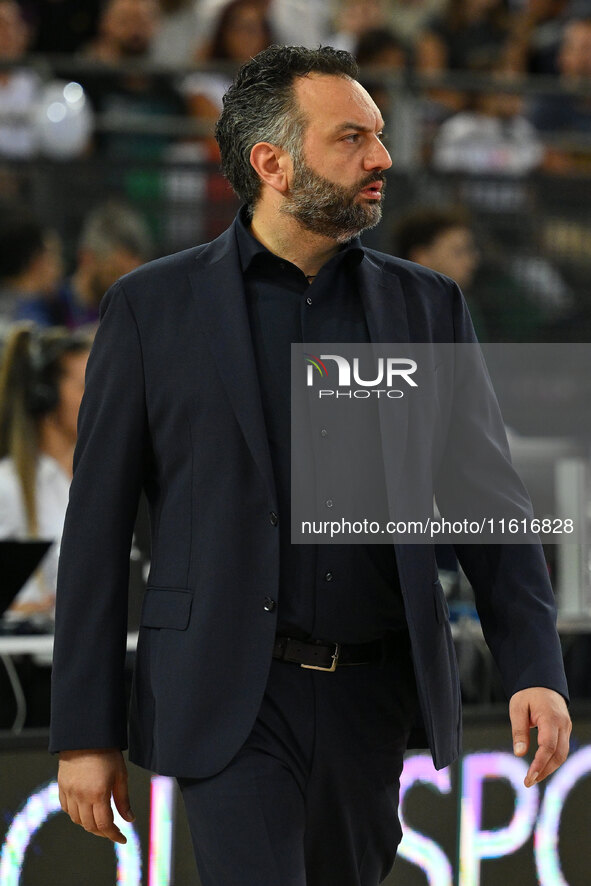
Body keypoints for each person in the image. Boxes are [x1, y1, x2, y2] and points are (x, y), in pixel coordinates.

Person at [51, 45, 571, 886]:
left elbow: (488, 502)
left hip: (373, 697)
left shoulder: (425, 305)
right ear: (273, 164)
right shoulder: (152, 307)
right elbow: (98, 531)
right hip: (229, 696)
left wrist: (534, 668)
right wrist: (84, 729)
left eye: (380, 136)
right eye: (352, 138)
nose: (383, 158)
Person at [0, 324, 91, 628]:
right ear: (46, 397)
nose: (99, 398)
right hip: (33, 662)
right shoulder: (8, 487)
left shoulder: (103, 479)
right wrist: (24, 609)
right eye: (84, 386)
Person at [56, 200, 153, 330]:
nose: (129, 288)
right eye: (116, 273)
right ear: (86, 259)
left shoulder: (135, 311)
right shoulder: (50, 306)